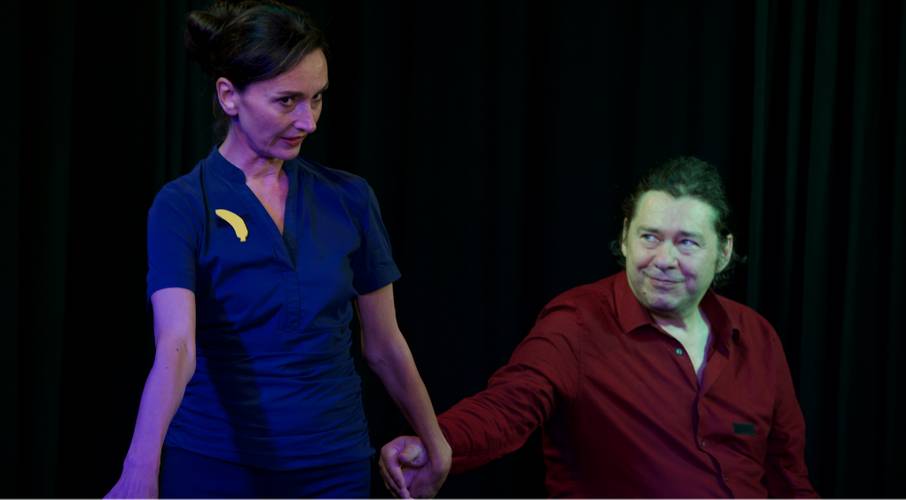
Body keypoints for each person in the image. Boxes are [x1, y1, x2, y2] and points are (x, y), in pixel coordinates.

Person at [105, 1, 450, 497]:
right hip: (215, 466)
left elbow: (384, 343)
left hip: (334, 466)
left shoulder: (349, 198)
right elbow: (177, 344)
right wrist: (140, 467)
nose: (308, 122)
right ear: (229, 96)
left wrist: (436, 442)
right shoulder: (183, 205)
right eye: (287, 101)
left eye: (317, 99)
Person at [381, 157, 817, 498]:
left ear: (723, 252)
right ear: (625, 237)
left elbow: (788, 475)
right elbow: (508, 407)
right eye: (649, 237)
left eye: (686, 242)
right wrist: (436, 443)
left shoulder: (758, 337)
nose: (664, 259)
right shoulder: (576, 322)